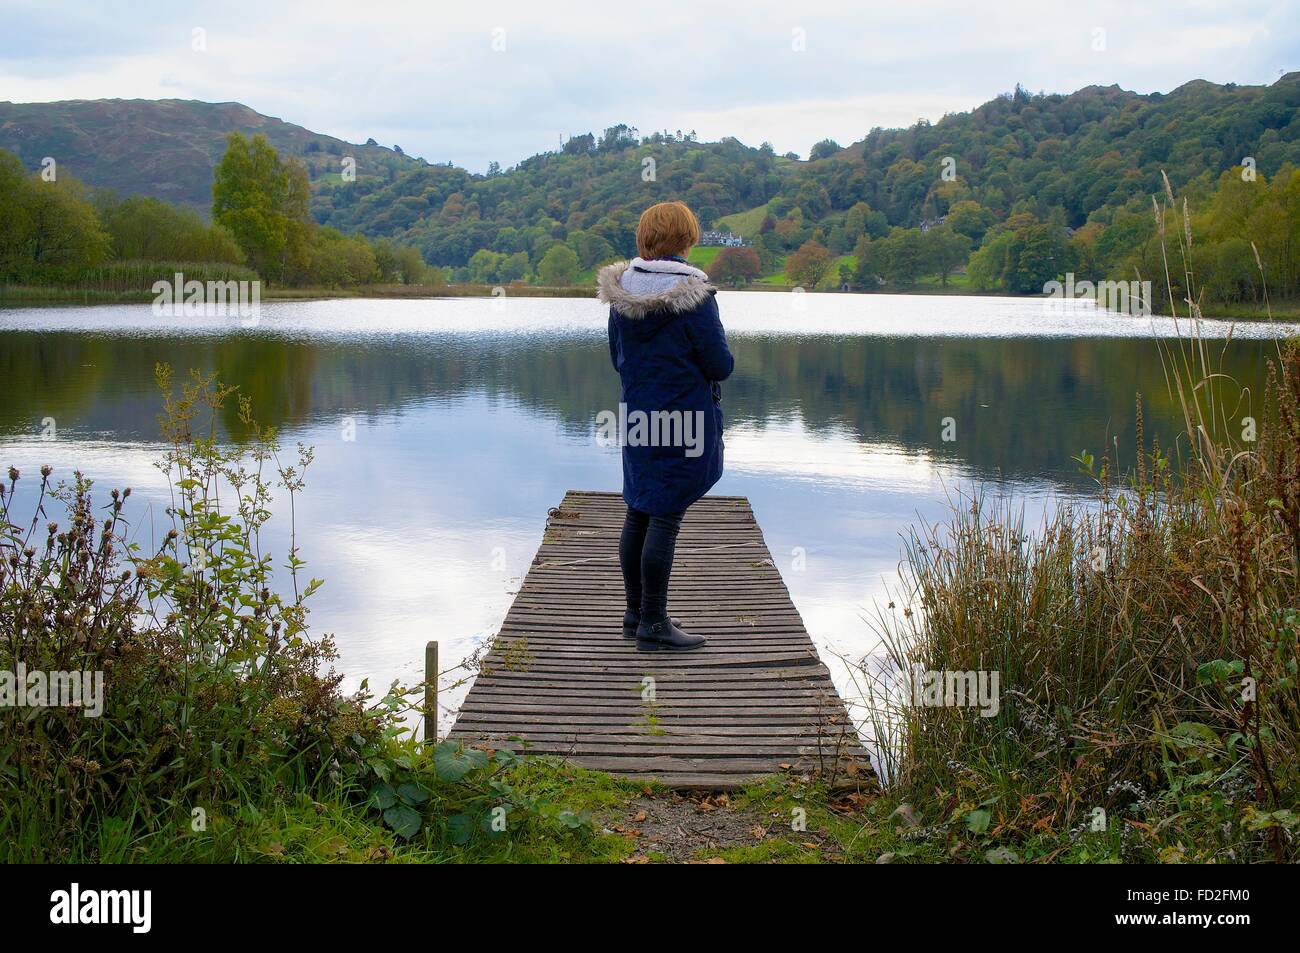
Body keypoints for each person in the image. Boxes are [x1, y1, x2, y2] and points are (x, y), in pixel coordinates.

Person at [596, 201, 734, 651]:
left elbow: (618, 359)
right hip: (685, 419)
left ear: (645, 239)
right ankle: (654, 623)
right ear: (686, 239)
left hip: (639, 416)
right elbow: (719, 365)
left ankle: (634, 612)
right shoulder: (695, 297)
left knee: (639, 509)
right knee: (666, 517)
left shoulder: (621, 298)